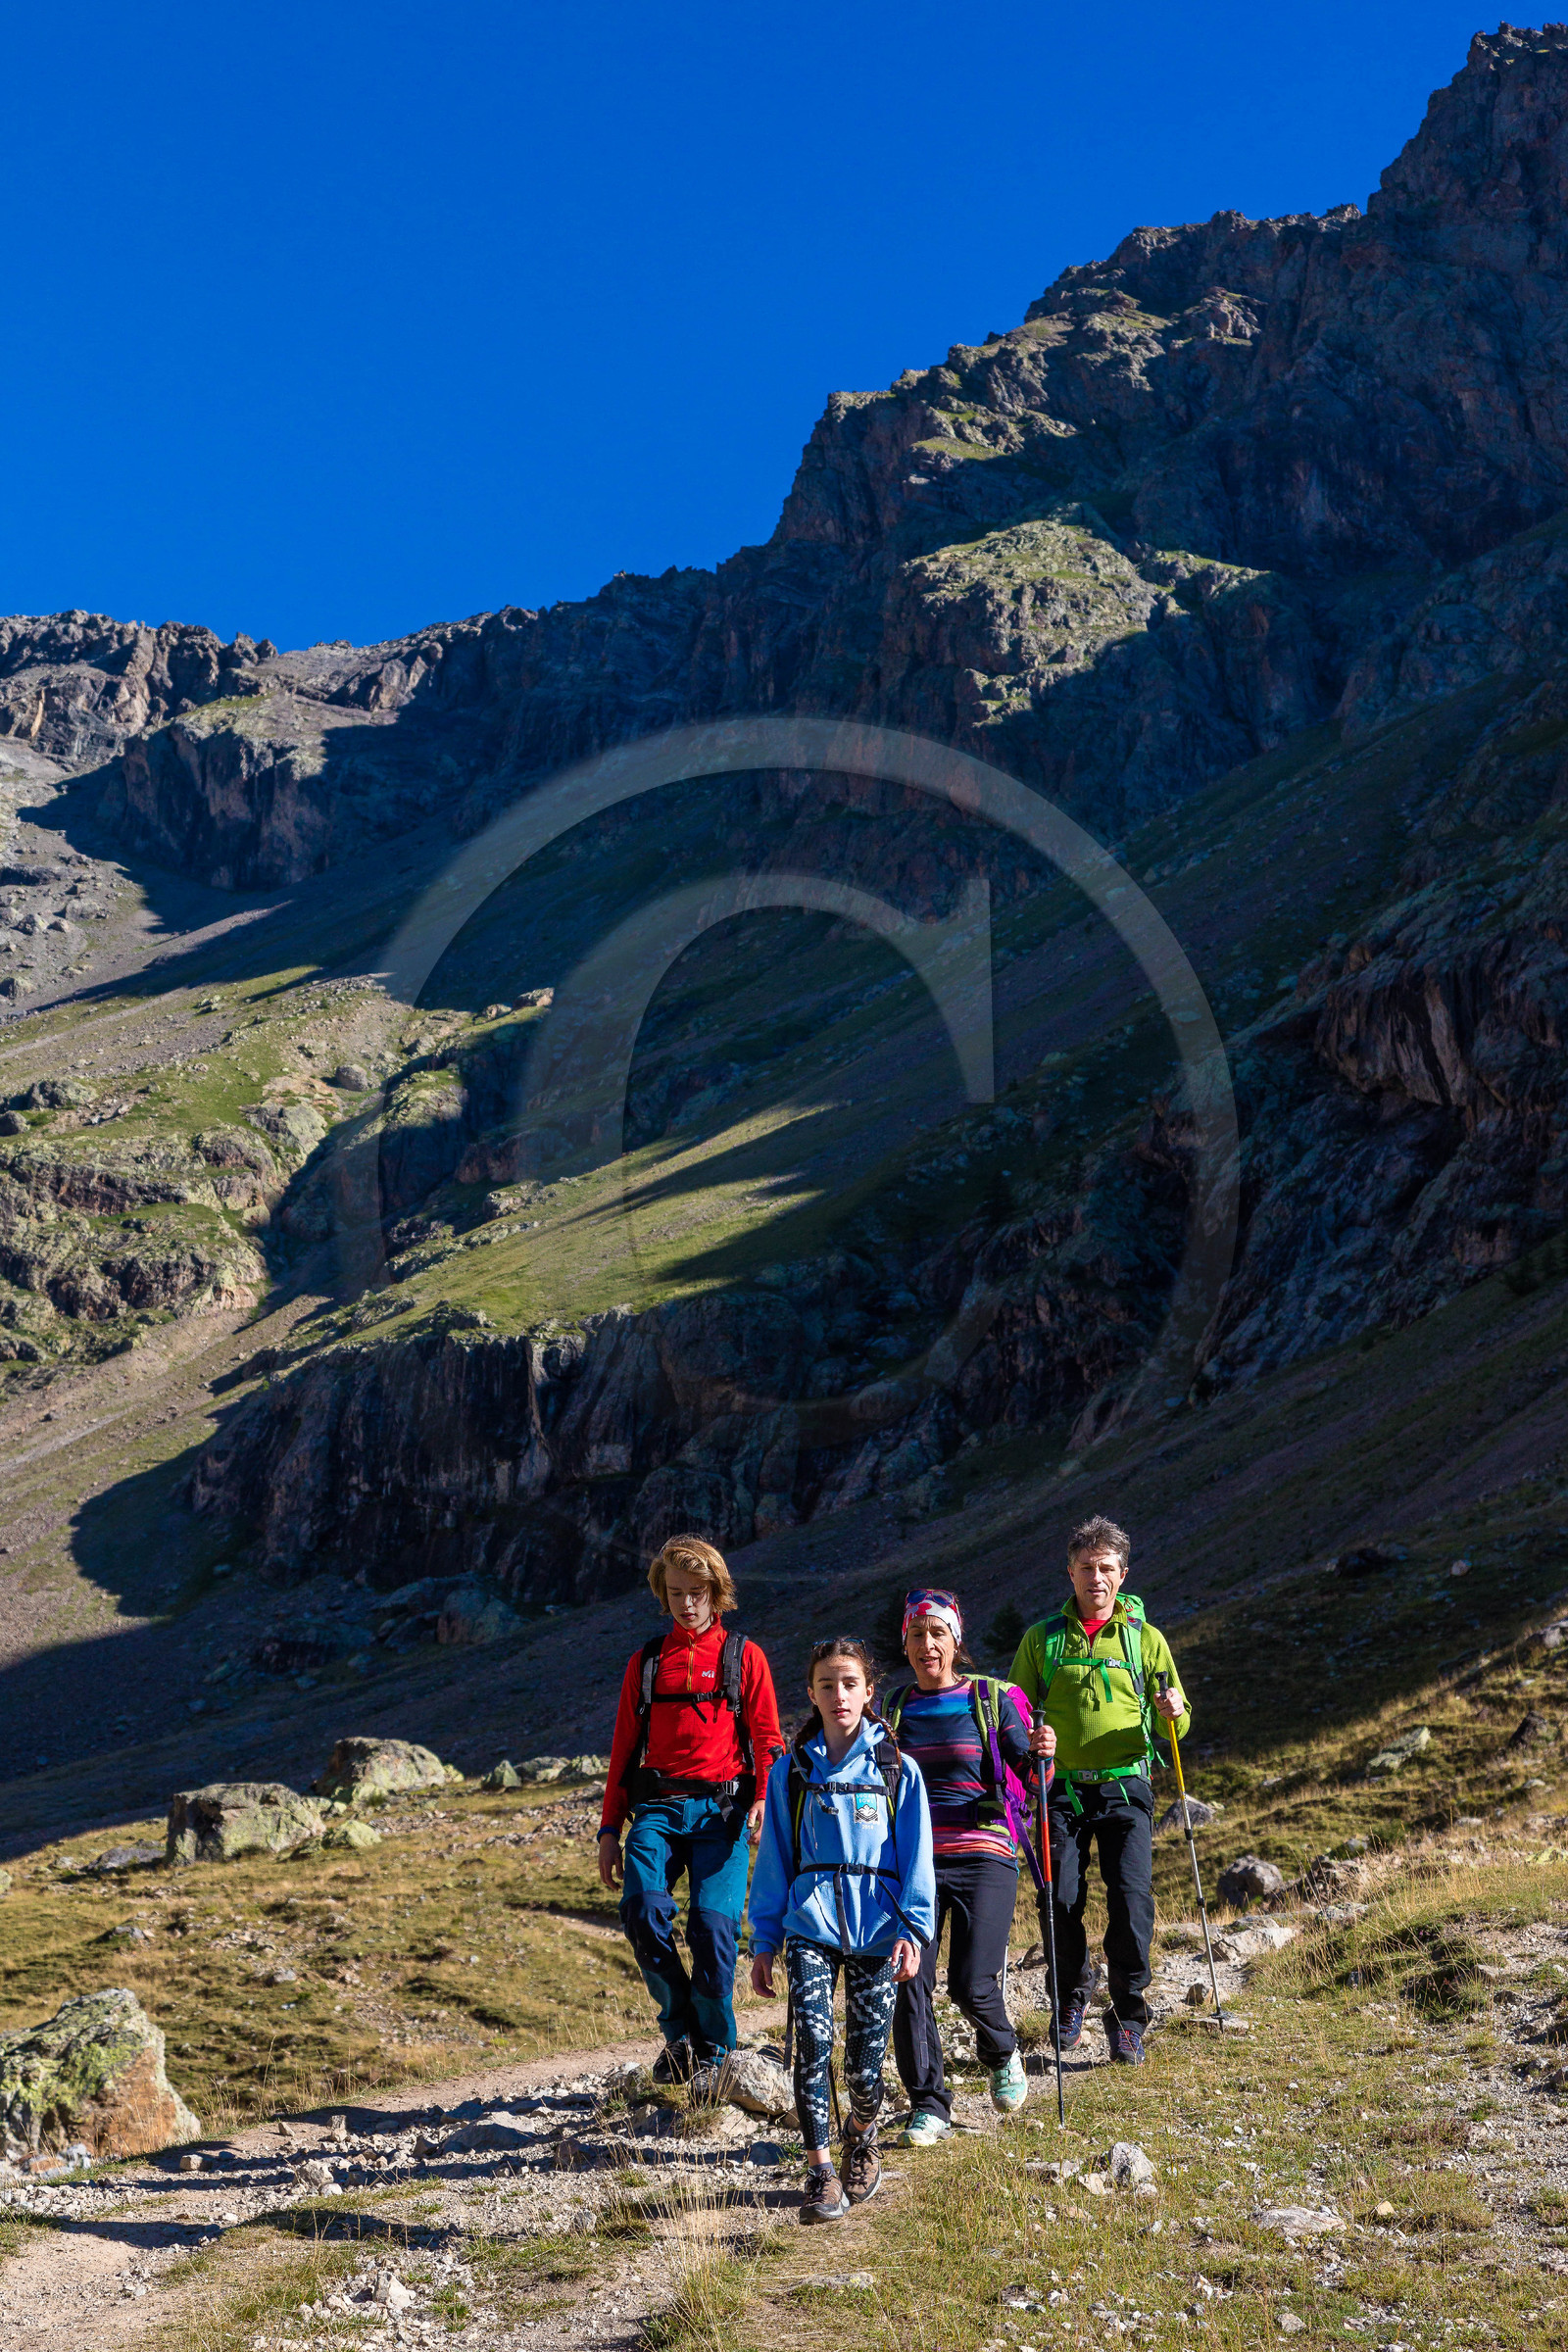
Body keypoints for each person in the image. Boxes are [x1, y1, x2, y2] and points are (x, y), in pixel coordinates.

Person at [748, 1636, 936, 2224]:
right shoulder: (790, 1772)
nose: (838, 1695)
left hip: (880, 1928)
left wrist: (913, 1928)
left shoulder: (897, 1769)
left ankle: (863, 2130)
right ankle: (821, 2170)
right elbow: (775, 1858)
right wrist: (765, 1941)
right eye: (826, 1685)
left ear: (869, 1691)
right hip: (810, 1923)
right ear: (811, 1694)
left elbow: (916, 1857)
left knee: (865, 2059)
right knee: (811, 2043)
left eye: (850, 1683)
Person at [599, 1534, 784, 2095]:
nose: (687, 1604)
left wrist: (760, 1799)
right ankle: (680, 2033)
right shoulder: (647, 1662)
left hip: (720, 1812)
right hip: (655, 1808)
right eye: (676, 1593)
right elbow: (622, 1749)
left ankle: (716, 2049)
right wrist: (610, 1829)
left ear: (717, 1593)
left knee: (712, 1928)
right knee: (643, 1913)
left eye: (698, 1592)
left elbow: (768, 1741)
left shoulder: (743, 1656)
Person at [1009, 1515, 1189, 2067]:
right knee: (1058, 1900)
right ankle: (1071, 1997)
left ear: (1123, 1573)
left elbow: (1175, 1726)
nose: (1097, 1578)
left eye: (1106, 1568)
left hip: (1126, 1787)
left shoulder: (1145, 1640)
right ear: (1070, 1572)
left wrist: (1175, 1711)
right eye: (1086, 1568)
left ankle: (1129, 2015)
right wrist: (1028, 1738)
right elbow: (1011, 1716)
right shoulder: (1042, 1640)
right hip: (1058, 1789)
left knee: (1131, 1903)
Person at [882, 1587, 1038, 2143]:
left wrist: (1041, 1752)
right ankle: (929, 2104)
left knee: (972, 1984)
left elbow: (1030, 1771)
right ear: (906, 1642)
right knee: (906, 1980)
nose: (928, 1645)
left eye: (938, 1633)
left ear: (956, 1639)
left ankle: (1001, 2050)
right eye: (918, 1634)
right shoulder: (892, 1711)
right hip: (913, 1866)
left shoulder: (991, 1699)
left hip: (985, 1854)